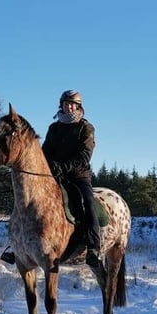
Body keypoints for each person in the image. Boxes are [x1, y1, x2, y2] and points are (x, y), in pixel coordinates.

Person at [42, 89, 102, 267]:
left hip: (78, 176)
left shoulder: (86, 128)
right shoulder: (54, 128)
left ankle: (93, 248)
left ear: (77, 106)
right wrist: (48, 165)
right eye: (65, 104)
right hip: (55, 175)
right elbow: (45, 151)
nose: (68, 107)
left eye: (72, 104)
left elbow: (84, 156)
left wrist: (62, 167)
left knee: (87, 202)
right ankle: (18, 245)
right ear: (61, 105)